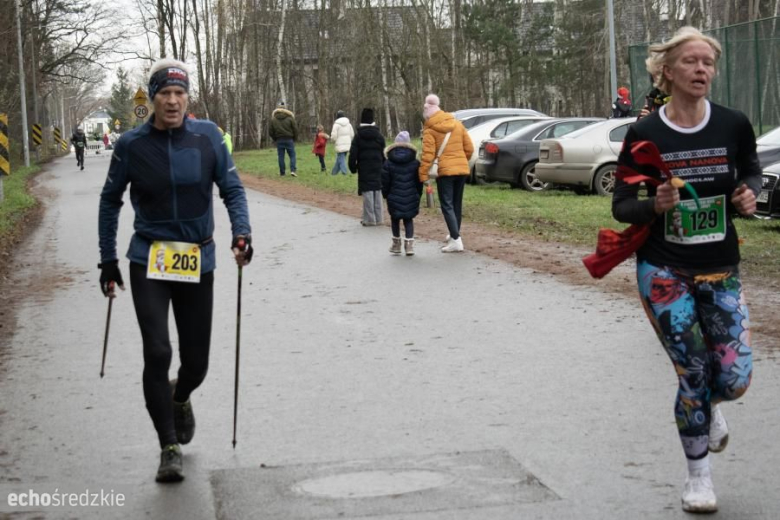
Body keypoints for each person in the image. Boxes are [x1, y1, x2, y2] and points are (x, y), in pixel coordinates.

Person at [612, 27, 759, 513]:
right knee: (693, 370)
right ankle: (699, 479)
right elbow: (621, 204)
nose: (701, 70)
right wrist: (653, 205)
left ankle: (711, 406)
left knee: (734, 379)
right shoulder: (645, 134)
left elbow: (750, 172)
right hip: (664, 268)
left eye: (708, 62)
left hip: (720, 267)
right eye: (691, 62)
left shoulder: (733, 124)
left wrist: (748, 195)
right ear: (667, 71)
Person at [97, 58, 253, 484]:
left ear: (187, 97)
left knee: (196, 363)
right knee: (158, 351)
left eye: (179, 93)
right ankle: (168, 447)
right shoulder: (131, 145)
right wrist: (108, 259)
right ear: (152, 98)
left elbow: (233, 189)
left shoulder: (208, 137)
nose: (172, 101)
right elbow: (110, 200)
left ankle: (179, 396)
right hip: (149, 258)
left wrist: (242, 234)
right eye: (164, 93)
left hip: (196, 258)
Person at [418, 94, 473, 253]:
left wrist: (423, 174)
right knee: (456, 203)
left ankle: (456, 240)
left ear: (428, 114)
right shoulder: (457, 124)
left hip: (445, 171)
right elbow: (469, 148)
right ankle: (455, 233)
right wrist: (460, 161)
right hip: (461, 169)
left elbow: (428, 155)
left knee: (447, 205)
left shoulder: (430, 129)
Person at [382, 131, 421, 255]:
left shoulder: (388, 162)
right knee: (408, 219)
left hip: (393, 195)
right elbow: (419, 181)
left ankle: (396, 244)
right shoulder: (415, 162)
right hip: (411, 195)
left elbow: (385, 181)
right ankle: (409, 245)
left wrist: (385, 194)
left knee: (395, 219)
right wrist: (418, 194)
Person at [349, 108, 386, 226]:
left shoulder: (358, 137)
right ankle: (379, 218)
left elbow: (353, 154)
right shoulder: (379, 136)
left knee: (368, 191)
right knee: (378, 190)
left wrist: (353, 167)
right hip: (378, 167)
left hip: (364, 168)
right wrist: (384, 166)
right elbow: (384, 153)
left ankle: (369, 219)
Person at [269, 101, 298, 176]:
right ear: (285, 108)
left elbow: (270, 131)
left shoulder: (273, 119)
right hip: (289, 139)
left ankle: (282, 172)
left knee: (281, 156)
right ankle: (293, 170)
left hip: (279, 139)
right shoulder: (290, 118)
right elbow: (295, 129)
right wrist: (294, 138)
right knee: (292, 155)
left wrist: (275, 139)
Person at [330, 110, 354, 175]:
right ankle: (333, 173)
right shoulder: (349, 124)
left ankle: (344, 171)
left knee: (341, 159)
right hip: (348, 144)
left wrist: (332, 140)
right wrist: (349, 141)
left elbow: (334, 136)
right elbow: (352, 134)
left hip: (339, 145)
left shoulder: (336, 125)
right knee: (339, 159)